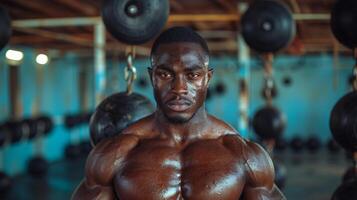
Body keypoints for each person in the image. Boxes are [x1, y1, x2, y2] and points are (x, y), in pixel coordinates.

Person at [72, 26, 286, 200]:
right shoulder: (115, 154)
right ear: (152, 76)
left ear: (207, 78)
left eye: (192, 75)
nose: (179, 88)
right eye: (165, 74)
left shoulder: (245, 156)